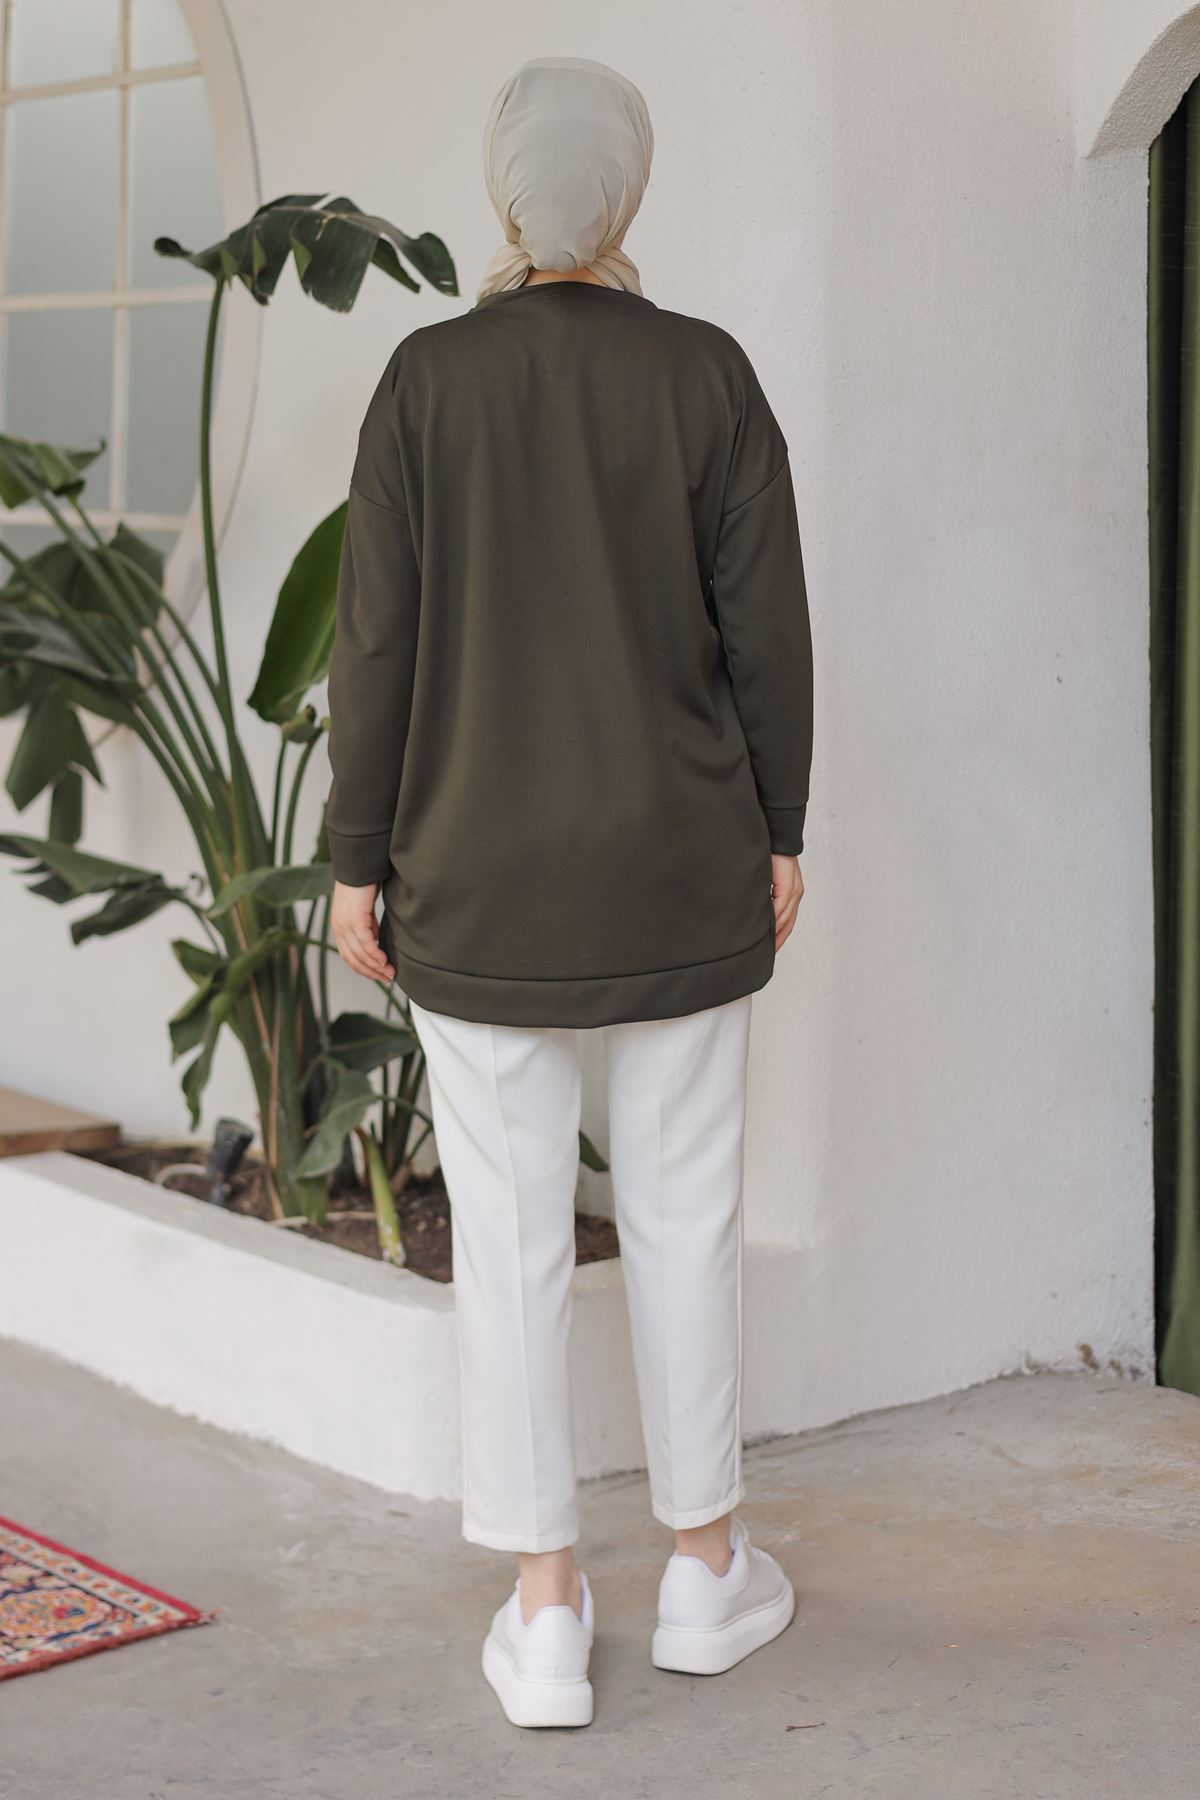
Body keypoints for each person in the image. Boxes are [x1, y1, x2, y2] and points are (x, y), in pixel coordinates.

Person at [325, 54, 813, 1729]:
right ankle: (704, 1571)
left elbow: (374, 644)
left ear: (503, 189)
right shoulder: (708, 374)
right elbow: (767, 630)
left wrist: (355, 860)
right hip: (679, 865)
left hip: (475, 881)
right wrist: (781, 824)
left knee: (513, 1234)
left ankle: (545, 1611)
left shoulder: (425, 382)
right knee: (684, 1215)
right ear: (629, 190)